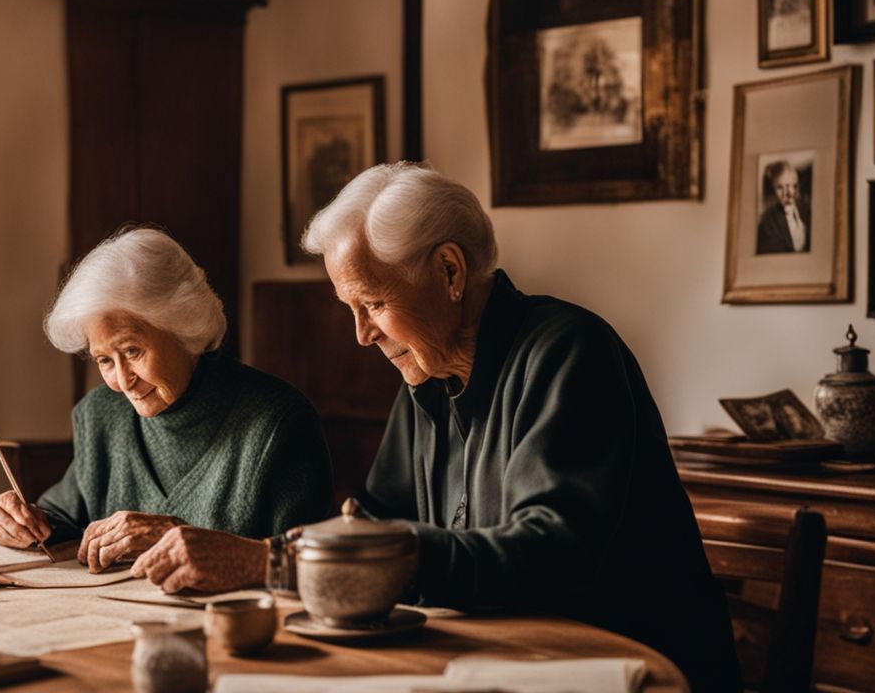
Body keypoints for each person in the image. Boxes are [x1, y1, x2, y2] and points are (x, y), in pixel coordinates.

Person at [298, 162, 742, 692]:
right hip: (504, 665)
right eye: (351, 308)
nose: (362, 335)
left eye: (373, 303)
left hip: (631, 671)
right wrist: (294, 555)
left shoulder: (569, 351)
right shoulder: (426, 374)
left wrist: (399, 555)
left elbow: (551, 553)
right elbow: (375, 520)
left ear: (449, 272)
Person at [0, 227, 333, 591]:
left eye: (132, 351)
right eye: (104, 360)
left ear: (185, 326)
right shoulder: (100, 415)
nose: (121, 380)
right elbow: (64, 520)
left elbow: (316, 569)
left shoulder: (277, 422)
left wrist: (176, 534)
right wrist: (16, 522)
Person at [756, 160, 811, 254]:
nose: (788, 193)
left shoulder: (807, 209)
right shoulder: (767, 222)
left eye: (791, 185)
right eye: (780, 187)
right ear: (774, 190)